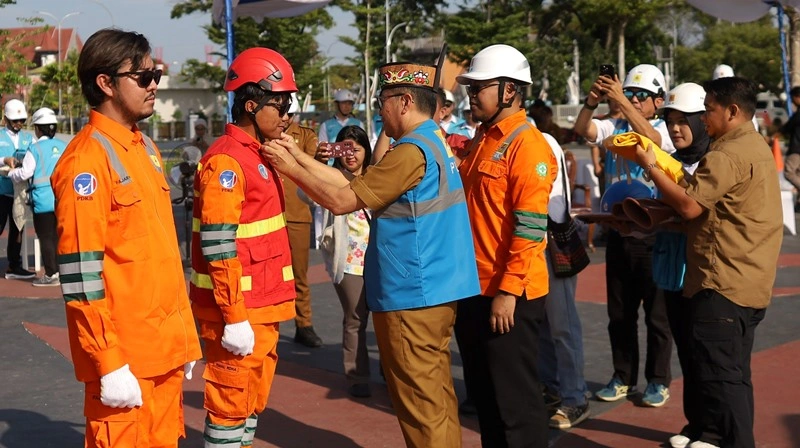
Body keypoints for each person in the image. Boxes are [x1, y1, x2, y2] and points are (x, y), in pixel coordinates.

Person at [262, 58, 480, 448]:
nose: (379, 110)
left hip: (412, 292)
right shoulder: (433, 141)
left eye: (383, 100)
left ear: (405, 101)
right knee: (436, 397)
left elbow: (344, 199)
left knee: (419, 405)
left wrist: (289, 168)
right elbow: (358, 184)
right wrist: (297, 158)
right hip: (437, 289)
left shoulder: (411, 151)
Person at [50, 28, 201, 447]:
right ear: (106, 83)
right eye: (144, 76)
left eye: (156, 74)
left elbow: (159, 256)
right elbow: (81, 278)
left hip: (163, 352)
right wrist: (109, 362)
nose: (155, 85)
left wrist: (183, 338)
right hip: (126, 361)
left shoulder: (146, 149)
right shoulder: (86, 161)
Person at [632, 76, 783, 448]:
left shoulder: (726, 153)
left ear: (732, 111)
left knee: (722, 375)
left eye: (708, 111)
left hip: (723, 281)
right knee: (729, 372)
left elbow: (689, 205)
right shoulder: (752, 146)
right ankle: (712, 433)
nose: (704, 119)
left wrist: (652, 167)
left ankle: (733, 441)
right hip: (745, 278)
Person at [188, 47, 298, 447]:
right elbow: (218, 246)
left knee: (251, 403)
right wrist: (233, 316)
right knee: (229, 407)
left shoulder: (258, 156)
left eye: (290, 106)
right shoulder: (228, 163)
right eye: (280, 105)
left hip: (262, 308)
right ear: (251, 105)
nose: (287, 115)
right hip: (237, 312)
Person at [455, 43, 557, 447]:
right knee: (487, 402)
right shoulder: (481, 139)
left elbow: (531, 230)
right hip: (475, 287)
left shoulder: (528, 146)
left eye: (479, 87)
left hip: (509, 293)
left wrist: (508, 293)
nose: (471, 94)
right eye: (471, 87)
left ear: (509, 91)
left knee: (517, 405)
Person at [574, 63, 675, 408]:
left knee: (657, 316)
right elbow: (581, 129)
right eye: (628, 92)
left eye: (640, 95)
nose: (631, 99)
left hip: (653, 233)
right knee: (620, 313)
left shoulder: (663, 127)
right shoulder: (613, 126)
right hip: (619, 230)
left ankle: (658, 381)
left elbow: (653, 140)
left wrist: (621, 99)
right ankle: (622, 376)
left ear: (658, 101)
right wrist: (591, 101)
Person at [648, 82, 711, 448]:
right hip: (670, 271)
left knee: (706, 358)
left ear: (702, 121)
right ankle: (695, 425)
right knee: (687, 354)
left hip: (700, 274)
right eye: (670, 121)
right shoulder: (674, 159)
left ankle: (714, 429)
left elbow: (694, 213)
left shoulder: (711, 162)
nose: (675, 128)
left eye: (683, 120)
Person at [538, 130, 590, 430]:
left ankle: (575, 397)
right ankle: (552, 389)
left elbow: (552, 201)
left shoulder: (539, 140)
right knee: (543, 325)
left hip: (550, 238)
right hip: (535, 241)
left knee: (562, 324)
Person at [317, 125, 373, 398]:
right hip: (350, 262)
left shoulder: (379, 175)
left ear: (367, 150)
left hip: (380, 258)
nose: (351, 155)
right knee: (355, 318)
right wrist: (319, 162)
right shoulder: (331, 177)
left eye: (357, 149)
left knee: (388, 319)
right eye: (345, 149)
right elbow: (306, 194)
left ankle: (390, 371)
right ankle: (356, 375)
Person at [282, 93, 324, 348]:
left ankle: (304, 324)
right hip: (267, 215)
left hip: (297, 215)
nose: (284, 117)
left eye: (288, 113)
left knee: (300, 275)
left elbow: (312, 165)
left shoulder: (306, 136)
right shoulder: (263, 134)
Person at [6, 107, 66, 286]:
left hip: (43, 200)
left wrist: (10, 173)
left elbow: (25, 173)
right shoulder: (63, 146)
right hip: (61, 198)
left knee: (46, 237)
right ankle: (61, 272)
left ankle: (51, 274)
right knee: (58, 236)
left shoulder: (35, 147)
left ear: (39, 128)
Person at [0, 98, 35, 279]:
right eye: (15, 121)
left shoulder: (29, 138)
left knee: (18, 228)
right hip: (1, 192)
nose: (19, 124)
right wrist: (4, 160)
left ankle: (14, 266)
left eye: (22, 121)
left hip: (19, 193)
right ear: (6, 119)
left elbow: (35, 156)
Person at [780, 86, 800, 208]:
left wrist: (774, 136)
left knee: (789, 172)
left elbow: (787, 128)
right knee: (797, 173)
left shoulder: (798, 114)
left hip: (797, 148)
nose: (792, 100)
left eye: (793, 98)